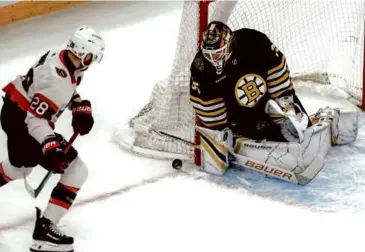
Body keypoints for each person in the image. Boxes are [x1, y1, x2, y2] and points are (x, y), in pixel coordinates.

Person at [0, 26, 105, 252]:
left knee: (21, 167)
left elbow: (62, 90)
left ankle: (45, 227)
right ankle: (44, 232)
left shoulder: (63, 57)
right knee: (77, 170)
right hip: (23, 121)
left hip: (14, 111)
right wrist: (51, 148)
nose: (91, 61)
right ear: (83, 53)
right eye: (91, 57)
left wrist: (78, 107)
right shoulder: (58, 80)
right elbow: (36, 120)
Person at [190, 21, 311, 143]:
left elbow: (277, 68)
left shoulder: (253, 40)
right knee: (276, 141)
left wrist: (285, 103)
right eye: (208, 54)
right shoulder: (201, 67)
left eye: (217, 54)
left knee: (306, 132)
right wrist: (221, 130)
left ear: (230, 44)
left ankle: (282, 110)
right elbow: (206, 103)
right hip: (242, 117)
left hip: (271, 100)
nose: (212, 59)